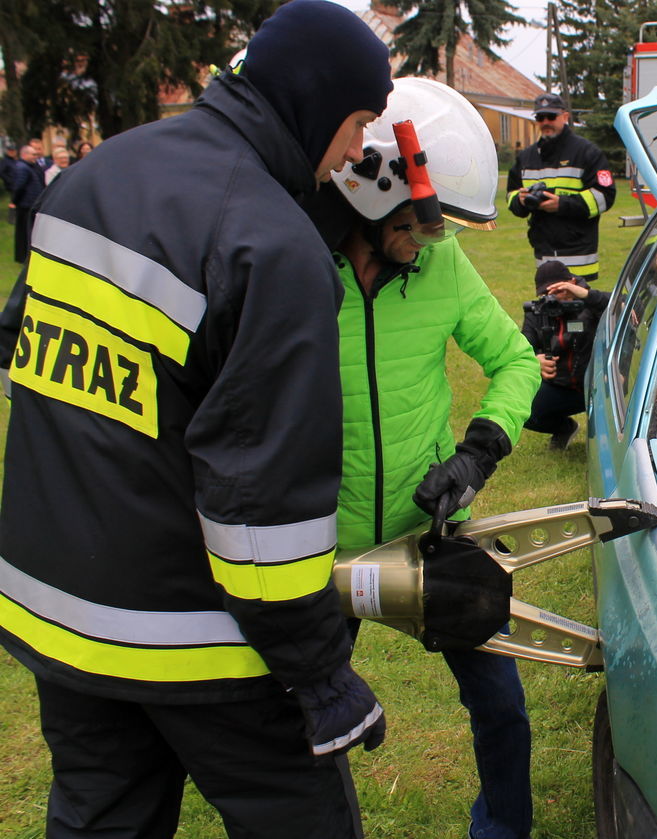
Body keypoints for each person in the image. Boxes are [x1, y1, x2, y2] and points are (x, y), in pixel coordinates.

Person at [0, 1, 394, 836]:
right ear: (317, 102)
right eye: (359, 121)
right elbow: (263, 515)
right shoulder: (270, 243)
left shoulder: (98, 171)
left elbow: (21, 354)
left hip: (59, 615)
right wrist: (321, 675)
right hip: (197, 641)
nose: (360, 149)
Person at [327, 77, 540, 839]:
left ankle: (504, 829)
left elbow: (517, 361)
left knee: (503, 705)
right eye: (425, 225)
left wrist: (476, 456)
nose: (434, 240)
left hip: (430, 530)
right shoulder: (295, 269)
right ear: (367, 191)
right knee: (304, 723)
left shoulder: (438, 267)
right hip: (319, 547)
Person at [507, 92, 615, 281]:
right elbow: (511, 194)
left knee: (580, 308)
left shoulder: (586, 152)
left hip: (579, 253)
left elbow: (605, 196)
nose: (546, 121)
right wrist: (521, 200)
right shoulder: (526, 157)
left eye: (551, 116)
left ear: (565, 117)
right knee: (548, 307)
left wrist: (562, 204)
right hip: (544, 252)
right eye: (540, 117)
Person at [521, 260, 610, 449]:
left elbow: (623, 306)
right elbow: (523, 346)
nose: (553, 299)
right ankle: (564, 428)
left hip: (599, 386)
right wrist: (534, 360)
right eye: (546, 294)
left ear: (572, 283)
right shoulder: (538, 312)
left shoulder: (591, 304)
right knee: (522, 407)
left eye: (558, 291)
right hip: (562, 386)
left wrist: (585, 295)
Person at [9, 145, 44, 262]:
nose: (35, 157)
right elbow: (19, 187)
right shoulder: (22, 168)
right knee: (24, 231)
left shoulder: (30, 167)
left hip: (30, 203)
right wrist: (14, 201)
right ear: (24, 155)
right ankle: (23, 256)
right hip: (26, 205)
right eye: (33, 154)